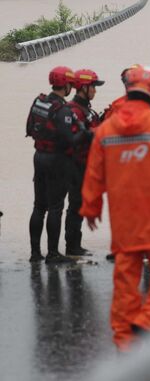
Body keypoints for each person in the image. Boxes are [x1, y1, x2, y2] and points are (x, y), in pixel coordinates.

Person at [81, 66, 150, 350]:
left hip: (125, 218)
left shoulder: (106, 129)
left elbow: (94, 174)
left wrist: (91, 208)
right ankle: (149, 319)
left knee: (126, 279)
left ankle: (123, 339)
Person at [26, 66, 79, 264]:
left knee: (39, 206)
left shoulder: (39, 101)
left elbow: (30, 128)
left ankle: (34, 253)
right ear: (65, 85)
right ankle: (53, 254)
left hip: (38, 156)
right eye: (70, 85)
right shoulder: (63, 109)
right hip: (56, 160)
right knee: (55, 207)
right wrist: (84, 134)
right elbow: (68, 139)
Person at [63, 68, 104, 257]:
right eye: (93, 87)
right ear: (83, 87)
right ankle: (72, 247)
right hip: (75, 165)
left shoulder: (87, 110)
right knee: (75, 205)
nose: (95, 91)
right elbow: (75, 138)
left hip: (85, 164)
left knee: (78, 205)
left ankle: (75, 245)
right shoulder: (74, 110)